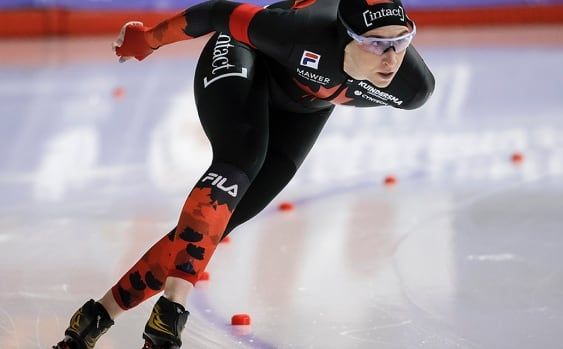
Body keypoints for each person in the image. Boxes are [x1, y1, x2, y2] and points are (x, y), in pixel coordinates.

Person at [53, 0, 434, 348]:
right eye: (375, 44)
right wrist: (150, 39)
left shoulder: (412, 87)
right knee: (240, 161)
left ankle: (96, 317)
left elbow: (364, 72)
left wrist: (343, 76)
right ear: (344, 38)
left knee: (221, 223)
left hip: (305, 108)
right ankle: (170, 315)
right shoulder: (299, 33)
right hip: (244, 56)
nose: (390, 58)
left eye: (400, 42)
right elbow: (218, 13)